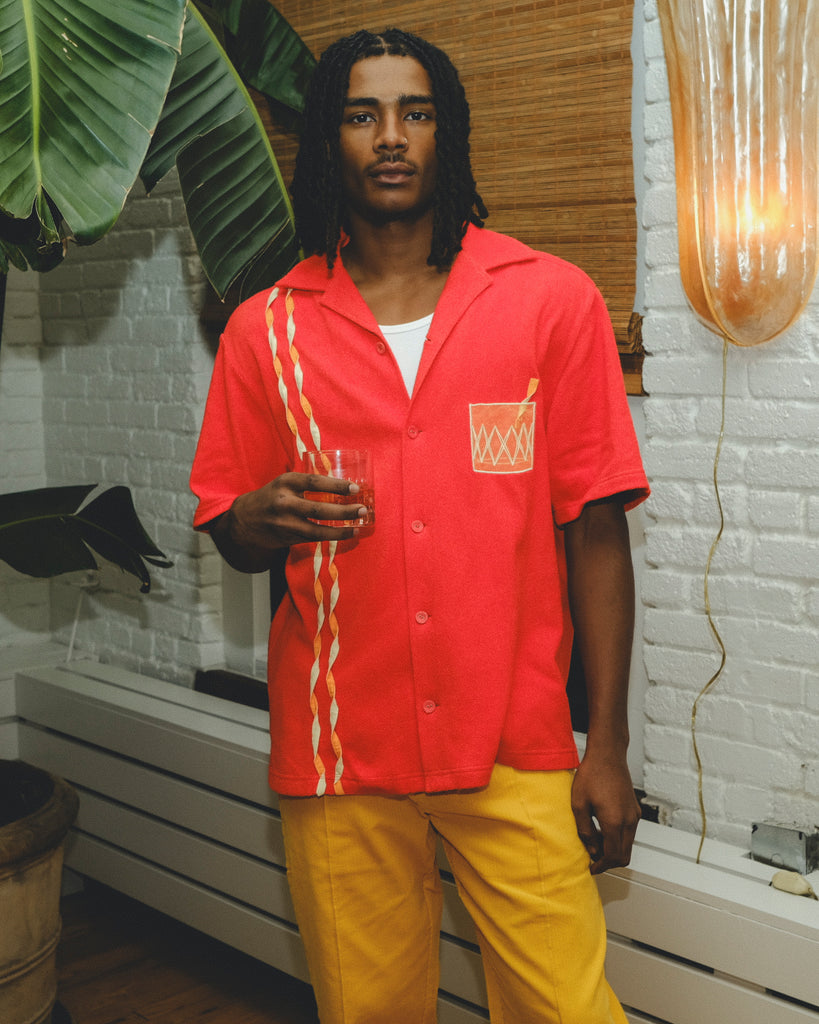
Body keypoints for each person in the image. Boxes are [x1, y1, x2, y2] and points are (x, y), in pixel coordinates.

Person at [190, 27, 649, 1024]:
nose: (390, 136)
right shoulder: (265, 330)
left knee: (572, 1011)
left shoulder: (549, 303)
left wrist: (604, 740)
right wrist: (257, 519)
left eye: (416, 111)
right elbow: (228, 523)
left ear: (450, 134)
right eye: (362, 114)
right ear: (327, 143)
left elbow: (597, 529)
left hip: (517, 744)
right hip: (340, 752)